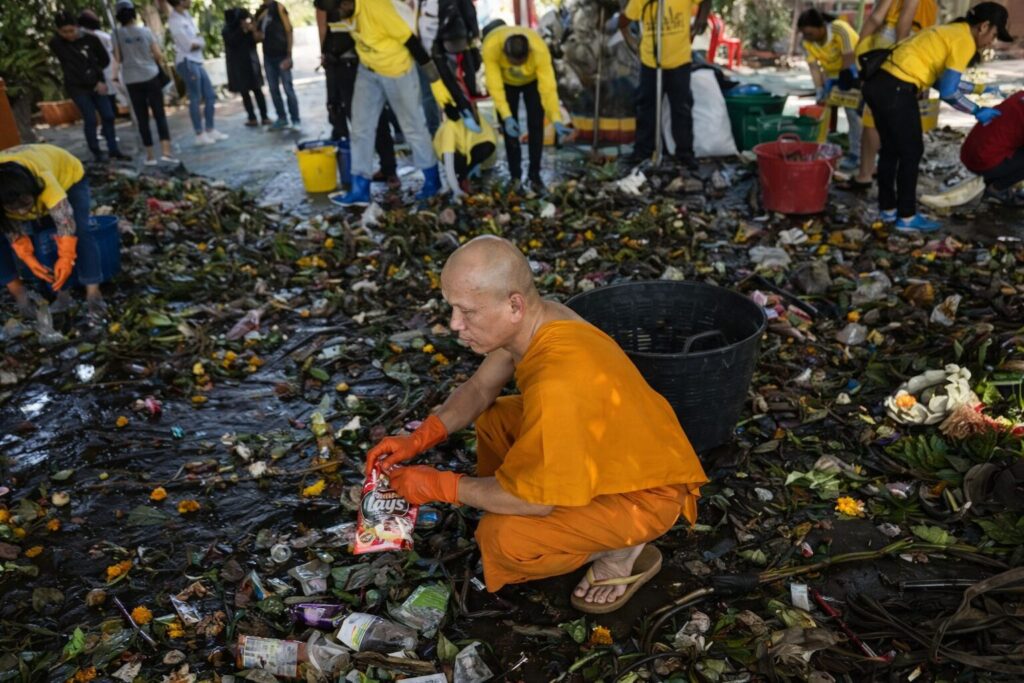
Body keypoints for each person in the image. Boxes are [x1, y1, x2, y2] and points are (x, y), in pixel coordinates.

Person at [370, 235, 708, 612]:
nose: (454, 324)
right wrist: (419, 439)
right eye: (452, 309)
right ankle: (536, 505)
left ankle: (620, 549)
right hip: (617, 456)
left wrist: (438, 485)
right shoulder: (539, 318)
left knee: (501, 538)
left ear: (514, 304)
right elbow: (480, 389)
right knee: (497, 417)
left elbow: (537, 502)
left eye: (467, 312)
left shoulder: (558, 383)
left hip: (645, 496)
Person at [861, 2, 1011, 231]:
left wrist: (980, 90)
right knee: (911, 151)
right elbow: (948, 92)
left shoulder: (951, 31)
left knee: (891, 149)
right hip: (898, 89)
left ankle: (888, 209)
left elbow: (944, 80)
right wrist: (976, 111)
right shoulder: (964, 41)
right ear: (984, 26)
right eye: (994, 34)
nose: (992, 41)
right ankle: (907, 217)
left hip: (879, 85)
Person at [332, 0, 465, 207]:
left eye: (339, 9)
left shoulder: (377, 7)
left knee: (412, 126)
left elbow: (411, 41)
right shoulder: (343, 11)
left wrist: (434, 79)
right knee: (360, 129)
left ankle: (432, 180)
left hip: (398, 71)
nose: (337, 13)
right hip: (368, 70)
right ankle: (360, 189)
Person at [0, 145, 109, 318]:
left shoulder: (44, 180)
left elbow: (65, 222)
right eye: (14, 209)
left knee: (80, 233)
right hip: (18, 191)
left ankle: (94, 295)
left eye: (25, 205)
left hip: (68, 177)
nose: (22, 213)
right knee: (44, 240)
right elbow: (9, 227)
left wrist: (66, 257)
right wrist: (26, 256)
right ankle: (62, 294)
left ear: (34, 192)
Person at [849, 0, 938, 189]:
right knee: (891, 114)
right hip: (903, 41)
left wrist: (860, 51)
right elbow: (905, 20)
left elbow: (875, 18)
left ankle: (866, 172)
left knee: (874, 112)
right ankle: (887, 176)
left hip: (883, 40)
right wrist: (901, 55)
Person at [315, 0, 399, 188]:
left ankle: (362, 179)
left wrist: (325, 55)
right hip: (367, 59)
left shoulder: (325, 5)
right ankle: (388, 170)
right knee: (378, 115)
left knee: (359, 122)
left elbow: (322, 30)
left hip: (346, 64)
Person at [619, 0, 710, 171]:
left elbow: (705, 2)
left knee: (681, 108)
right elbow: (624, 20)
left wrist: (701, 20)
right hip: (651, 62)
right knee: (647, 107)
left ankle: (684, 154)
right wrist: (631, 41)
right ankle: (643, 153)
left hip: (679, 60)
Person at [482, 24, 570, 190]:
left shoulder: (539, 49)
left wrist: (556, 118)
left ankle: (534, 174)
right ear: (504, 53)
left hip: (532, 82)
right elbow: (495, 86)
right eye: (513, 63)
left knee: (536, 125)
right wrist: (507, 117)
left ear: (529, 53)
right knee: (509, 131)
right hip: (506, 84)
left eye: (521, 63)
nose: (518, 68)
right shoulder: (491, 46)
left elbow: (548, 89)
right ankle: (515, 176)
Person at [49, 12, 129, 163]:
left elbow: (104, 59)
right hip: (77, 86)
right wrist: (94, 82)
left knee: (108, 115)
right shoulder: (58, 44)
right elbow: (74, 65)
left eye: (71, 31)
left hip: (98, 83)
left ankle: (114, 150)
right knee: (90, 118)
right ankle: (97, 152)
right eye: (64, 32)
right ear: (59, 32)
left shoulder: (91, 39)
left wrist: (98, 78)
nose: (69, 35)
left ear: (78, 28)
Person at [111, 0, 177, 166]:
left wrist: (114, 76)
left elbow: (117, 59)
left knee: (142, 118)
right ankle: (166, 152)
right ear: (133, 13)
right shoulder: (145, 31)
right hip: (150, 76)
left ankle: (150, 155)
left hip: (132, 80)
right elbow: (158, 55)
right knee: (159, 114)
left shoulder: (116, 34)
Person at [797, 9, 861, 171]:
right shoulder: (807, 42)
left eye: (810, 33)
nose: (807, 37)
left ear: (821, 27)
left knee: (853, 114)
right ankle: (821, 149)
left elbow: (849, 57)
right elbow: (814, 67)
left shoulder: (840, 29)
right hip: (832, 75)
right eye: (804, 34)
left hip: (854, 71)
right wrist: (819, 89)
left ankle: (857, 153)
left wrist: (845, 86)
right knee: (822, 112)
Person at [168, 0, 227, 146]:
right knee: (195, 97)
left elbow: (195, 40)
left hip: (197, 60)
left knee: (210, 95)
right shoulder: (175, 21)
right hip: (187, 61)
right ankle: (199, 133)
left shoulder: (186, 15)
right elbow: (189, 45)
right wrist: (200, 43)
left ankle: (210, 128)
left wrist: (198, 42)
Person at [961, 91, 1024, 206]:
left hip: (969, 154)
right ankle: (996, 189)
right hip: (983, 161)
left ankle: (994, 180)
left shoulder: (1020, 96)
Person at [255, 0, 300, 130]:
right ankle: (282, 118)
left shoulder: (279, 8)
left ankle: (295, 120)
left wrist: (289, 55)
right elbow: (257, 37)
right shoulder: (260, 13)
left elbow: (289, 30)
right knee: (274, 90)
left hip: (282, 55)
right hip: (268, 57)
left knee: (288, 89)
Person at [434, 105, 496, 199]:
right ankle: (462, 178)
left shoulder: (479, 120)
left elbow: (490, 144)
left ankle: (469, 175)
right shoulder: (449, 128)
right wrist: (456, 189)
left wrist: (478, 165)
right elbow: (448, 162)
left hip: (468, 151)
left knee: (487, 148)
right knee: (458, 164)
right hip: (452, 154)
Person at [223, 8, 271, 127]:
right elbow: (232, 41)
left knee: (258, 91)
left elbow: (257, 39)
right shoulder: (227, 30)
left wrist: (253, 29)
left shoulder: (249, 29)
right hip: (238, 67)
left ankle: (264, 117)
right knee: (245, 93)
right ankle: (252, 118)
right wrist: (243, 29)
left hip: (251, 64)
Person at [76, 10, 122, 115]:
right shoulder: (97, 35)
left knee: (109, 92)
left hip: (104, 67)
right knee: (109, 93)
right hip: (104, 68)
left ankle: (112, 112)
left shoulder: (89, 35)